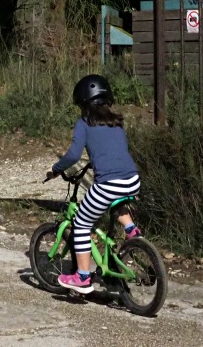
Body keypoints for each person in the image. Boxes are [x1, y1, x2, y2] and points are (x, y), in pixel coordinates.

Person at [44, 73, 142, 295]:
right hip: (132, 180)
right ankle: (132, 231)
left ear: (83, 103)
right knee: (116, 202)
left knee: (81, 224)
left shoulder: (84, 123)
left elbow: (73, 155)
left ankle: (82, 277)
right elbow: (115, 151)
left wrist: (56, 169)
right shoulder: (116, 122)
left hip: (108, 184)